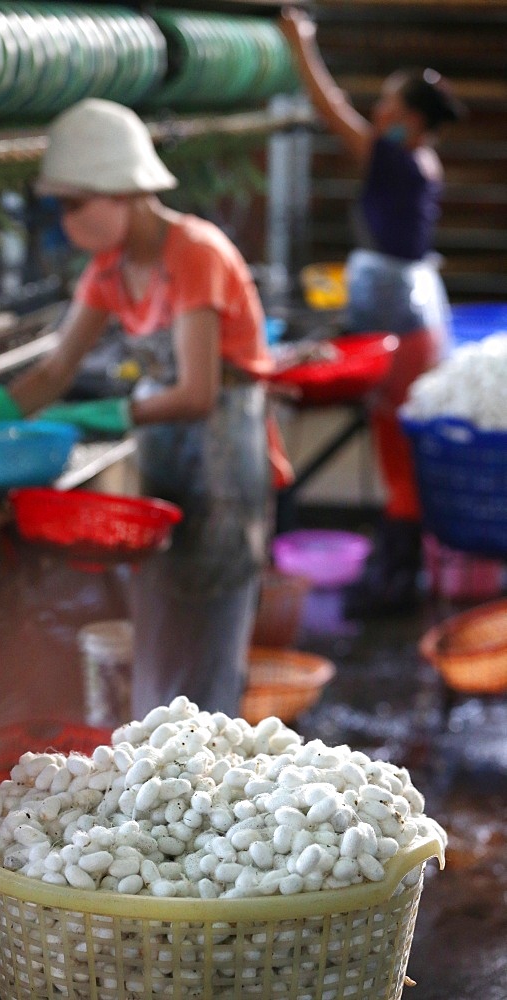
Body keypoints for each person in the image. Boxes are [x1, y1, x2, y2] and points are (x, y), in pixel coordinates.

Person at [0, 98, 291, 718]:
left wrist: (109, 417)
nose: (67, 222)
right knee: (160, 620)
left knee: (209, 626)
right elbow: (55, 369)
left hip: (222, 461)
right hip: (169, 462)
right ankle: (165, 778)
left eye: (75, 205)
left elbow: (199, 393)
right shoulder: (110, 269)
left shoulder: (194, 254)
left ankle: (218, 787)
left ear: (121, 192)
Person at [279, 8, 466, 614]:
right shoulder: (422, 161)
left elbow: (330, 106)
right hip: (419, 321)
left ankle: (394, 582)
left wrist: (300, 43)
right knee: (401, 456)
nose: (377, 114)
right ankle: (399, 574)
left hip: (402, 335)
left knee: (397, 459)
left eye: (387, 105)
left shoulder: (394, 158)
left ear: (409, 120)